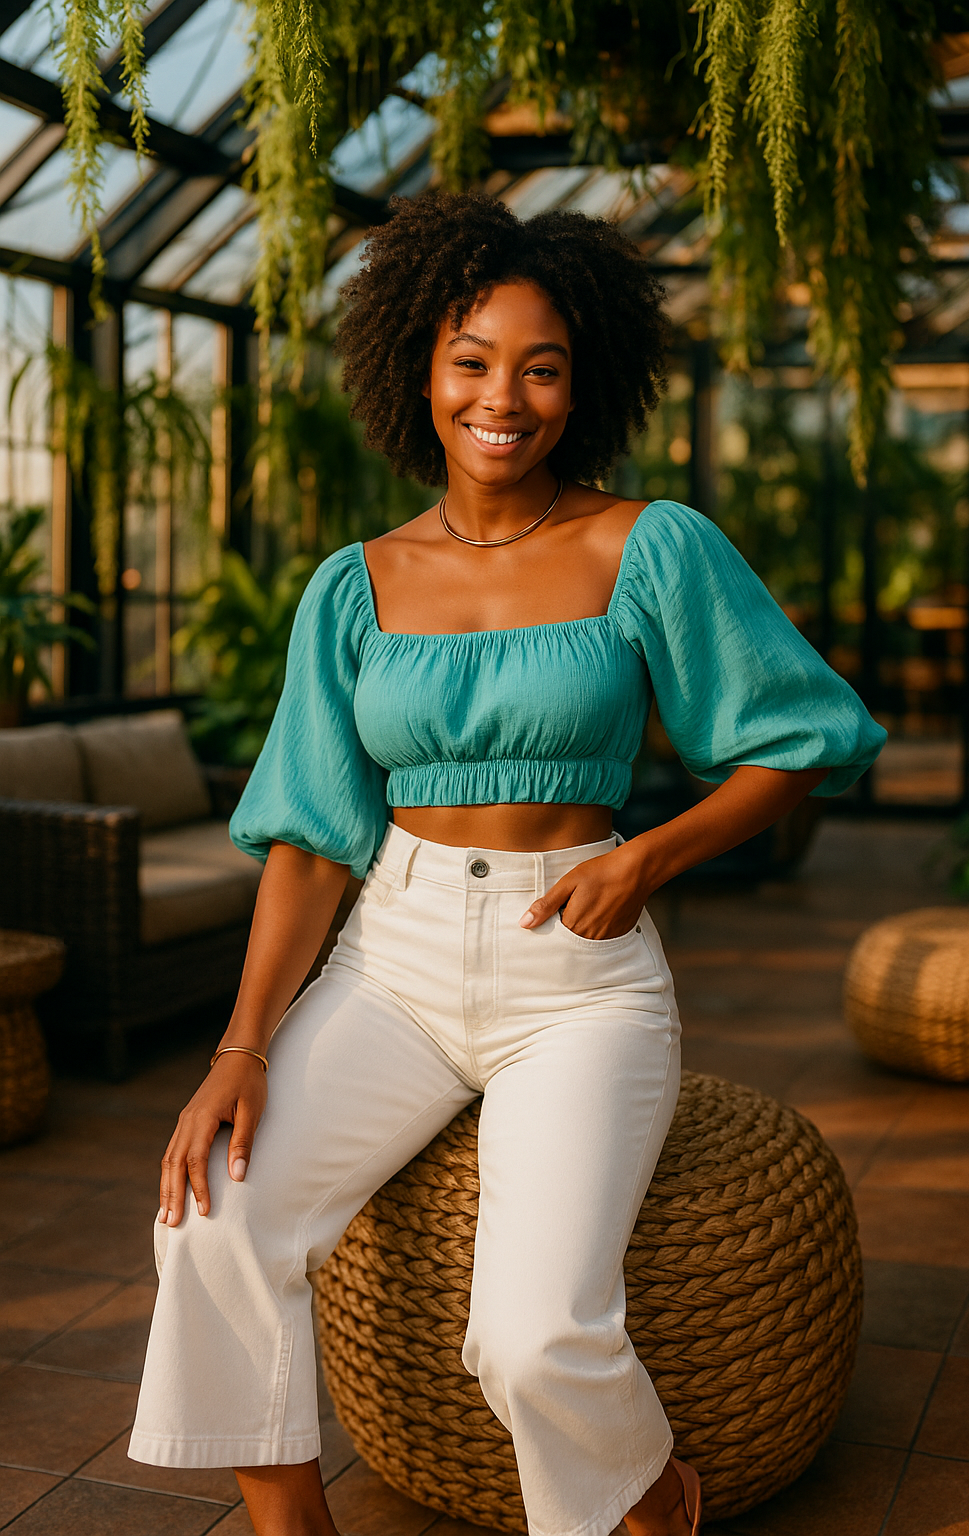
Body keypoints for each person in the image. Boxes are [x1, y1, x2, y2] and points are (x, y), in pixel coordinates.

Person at [128, 192, 885, 1536]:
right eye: (472, 360)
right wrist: (240, 1048)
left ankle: (650, 1493)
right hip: (392, 960)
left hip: (576, 979)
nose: (504, 398)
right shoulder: (353, 586)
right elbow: (311, 838)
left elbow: (801, 741)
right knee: (212, 1223)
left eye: (542, 368)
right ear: (418, 371)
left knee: (534, 1335)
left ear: (581, 385)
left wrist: (651, 857)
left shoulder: (648, 546)